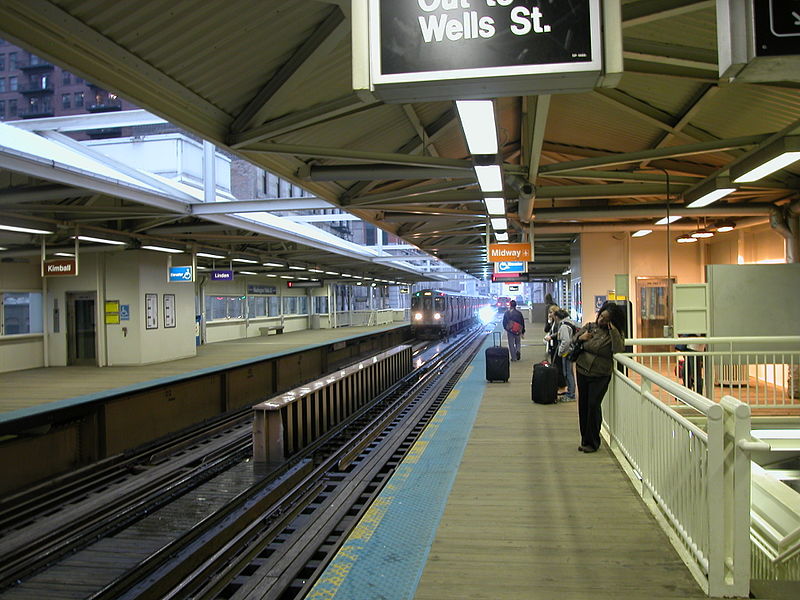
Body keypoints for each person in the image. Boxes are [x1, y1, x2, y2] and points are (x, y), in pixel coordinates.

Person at [574, 304, 624, 453]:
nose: (601, 320)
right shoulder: (590, 327)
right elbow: (574, 339)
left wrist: (613, 330)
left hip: (600, 374)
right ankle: (585, 439)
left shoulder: (614, 333)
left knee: (593, 404)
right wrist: (581, 338)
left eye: (605, 318)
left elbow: (618, 349)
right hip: (582, 369)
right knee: (583, 405)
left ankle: (593, 441)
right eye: (601, 316)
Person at [555, 308, 579, 401]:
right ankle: (570, 392)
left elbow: (566, 340)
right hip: (570, 350)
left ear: (557, 317)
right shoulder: (570, 322)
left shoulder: (564, 326)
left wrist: (560, 352)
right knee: (570, 373)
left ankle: (571, 394)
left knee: (568, 373)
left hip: (567, 352)